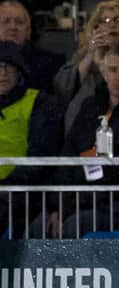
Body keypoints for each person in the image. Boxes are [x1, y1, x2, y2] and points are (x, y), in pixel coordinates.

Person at [30, 44, 119, 238]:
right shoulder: (89, 106)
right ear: (104, 73)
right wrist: (58, 206)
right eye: (113, 69)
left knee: (76, 225)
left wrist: (78, 200)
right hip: (82, 201)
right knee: (38, 226)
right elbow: (69, 157)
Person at [54, 0, 119, 137]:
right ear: (96, 27)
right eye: (105, 20)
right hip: (81, 128)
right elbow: (62, 88)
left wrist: (102, 64)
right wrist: (90, 54)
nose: (112, 25)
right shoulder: (84, 53)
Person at [0, 41, 63, 237]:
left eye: (8, 68)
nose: (2, 74)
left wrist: (7, 182)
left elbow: (40, 155)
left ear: (19, 73)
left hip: (22, 192)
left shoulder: (40, 102)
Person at [0, 0, 64, 93]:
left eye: (19, 22)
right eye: (6, 21)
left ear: (28, 31)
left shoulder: (51, 64)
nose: (13, 27)